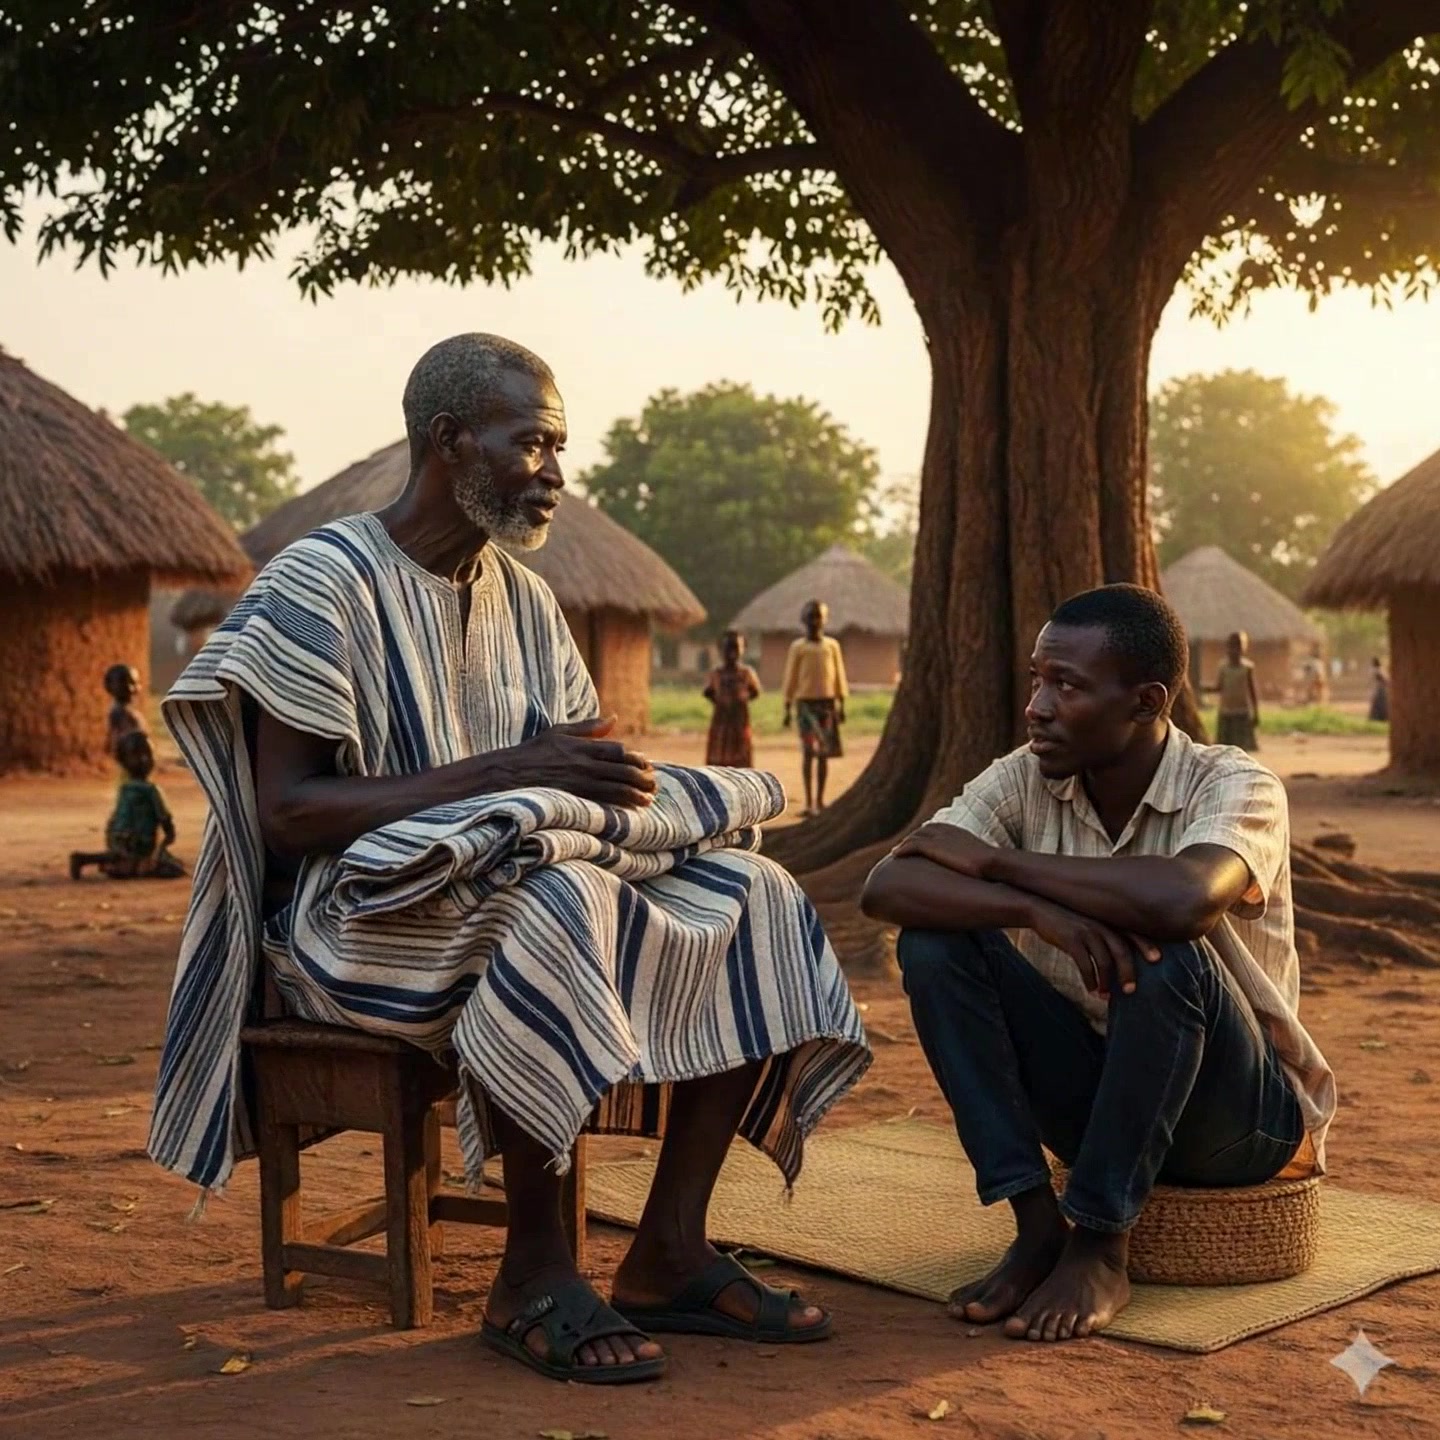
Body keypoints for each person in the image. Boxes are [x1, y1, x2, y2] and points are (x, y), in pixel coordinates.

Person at [149, 333, 870, 1385]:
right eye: (532, 444)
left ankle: (669, 1249)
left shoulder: (523, 598)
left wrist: (603, 796)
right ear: (450, 441)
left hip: (494, 886)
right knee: (562, 901)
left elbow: (563, 776)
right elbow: (291, 812)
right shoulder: (324, 580)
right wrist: (509, 774)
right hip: (351, 918)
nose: (556, 476)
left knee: (754, 889)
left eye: (558, 448)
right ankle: (533, 1273)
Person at [861, 584, 1334, 1344]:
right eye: (1038, 680)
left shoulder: (1235, 784)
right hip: (1094, 1094)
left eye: (1068, 686)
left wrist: (994, 862)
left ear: (1146, 702)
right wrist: (1030, 909)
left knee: (1164, 950)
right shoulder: (1024, 774)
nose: (1037, 707)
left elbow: (1184, 898)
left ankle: (1101, 1244)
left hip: (1238, 1119)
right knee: (933, 940)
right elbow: (890, 885)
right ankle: (1035, 1222)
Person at [70, 731, 185, 880]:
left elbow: (118, 816)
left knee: (120, 857)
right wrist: (170, 834)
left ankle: (86, 859)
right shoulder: (151, 790)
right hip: (140, 841)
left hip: (117, 837)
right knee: (168, 867)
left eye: (147, 755)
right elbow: (164, 816)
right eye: (138, 756)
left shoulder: (125, 788)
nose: (144, 760)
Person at [782, 600, 848, 816]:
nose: (815, 621)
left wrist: (841, 703)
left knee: (823, 754)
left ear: (825, 620)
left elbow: (839, 675)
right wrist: (787, 705)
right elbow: (790, 677)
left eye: (818, 616)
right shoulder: (798, 647)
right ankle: (808, 802)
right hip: (805, 706)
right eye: (811, 616)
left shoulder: (832, 646)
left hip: (827, 705)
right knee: (809, 752)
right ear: (803, 620)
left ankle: (821, 800)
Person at [703, 630, 762, 767]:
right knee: (718, 757)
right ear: (721, 650)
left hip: (740, 720)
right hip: (721, 721)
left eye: (736, 648)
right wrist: (721, 702)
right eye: (728, 648)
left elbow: (755, 691)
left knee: (741, 755)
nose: (732, 652)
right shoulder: (716, 673)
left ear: (743, 649)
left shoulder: (747, 673)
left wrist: (741, 700)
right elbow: (708, 692)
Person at [1212, 630, 1260, 751]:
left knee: (1242, 747)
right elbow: (1219, 687)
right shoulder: (1223, 667)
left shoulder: (1247, 668)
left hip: (1242, 712)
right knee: (1225, 748)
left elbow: (1252, 691)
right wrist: (1202, 689)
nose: (1234, 650)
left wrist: (1256, 713)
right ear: (1227, 647)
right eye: (1232, 645)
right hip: (1226, 712)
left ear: (1244, 648)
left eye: (1238, 646)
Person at [103, 663, 147, 758]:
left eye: (135, 683)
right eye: (123, 684)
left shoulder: (126, 712)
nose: (131, 688)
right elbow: (113, 744)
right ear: (111, 687)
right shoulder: (120, 713)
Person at [1300, 642, 1328, 706]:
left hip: (1315, 677)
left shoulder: (1313, 661)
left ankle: (1316, 702)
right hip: (1318, 677)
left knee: (1313, 690)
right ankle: (1320, 702)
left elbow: (1306, 669)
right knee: (1318, 690)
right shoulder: (1318, 662)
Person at [1368, 657, 1390, 723]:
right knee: (1380, 703)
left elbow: (1383, 679)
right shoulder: (1378, 670)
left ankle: (1379, 717)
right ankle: (1380, 717)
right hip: (1380, 689)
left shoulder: (1377, 670)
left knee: (1379, 703)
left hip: (1379, 689)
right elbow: (1384, 680)